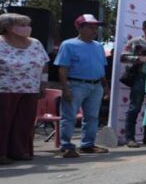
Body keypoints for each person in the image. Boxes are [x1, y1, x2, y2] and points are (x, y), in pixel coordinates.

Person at [53, 14, 110, 158]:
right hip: (76, 84)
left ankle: (88, 145)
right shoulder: (68, 44)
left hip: (96, 86)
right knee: (69, 116)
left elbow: (101, 68)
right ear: (79, 28)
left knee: (92, 117)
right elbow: (62, 69)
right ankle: (66, 146)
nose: (94, 30)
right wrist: (65, 88)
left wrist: (105, 87)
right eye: (90, 27)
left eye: (96, 27)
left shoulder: (98, 46)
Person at [0, 13, 49, 164]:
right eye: (22, 25)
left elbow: (44, 63)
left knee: (24, 121)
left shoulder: (35, 43)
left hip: (30, 88)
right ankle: (1, 154)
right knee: (3, 122)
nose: (27, 28)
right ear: (8, 27)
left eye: (28, 25)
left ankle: (20, 151)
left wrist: (43, 83)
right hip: (4, 89)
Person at [120, 19, 146, 148]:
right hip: (140, 78)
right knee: (134, 108)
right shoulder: (135, 41)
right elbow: (123, 57)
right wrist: (143, 58)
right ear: (144, 29)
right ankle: (130, 138)